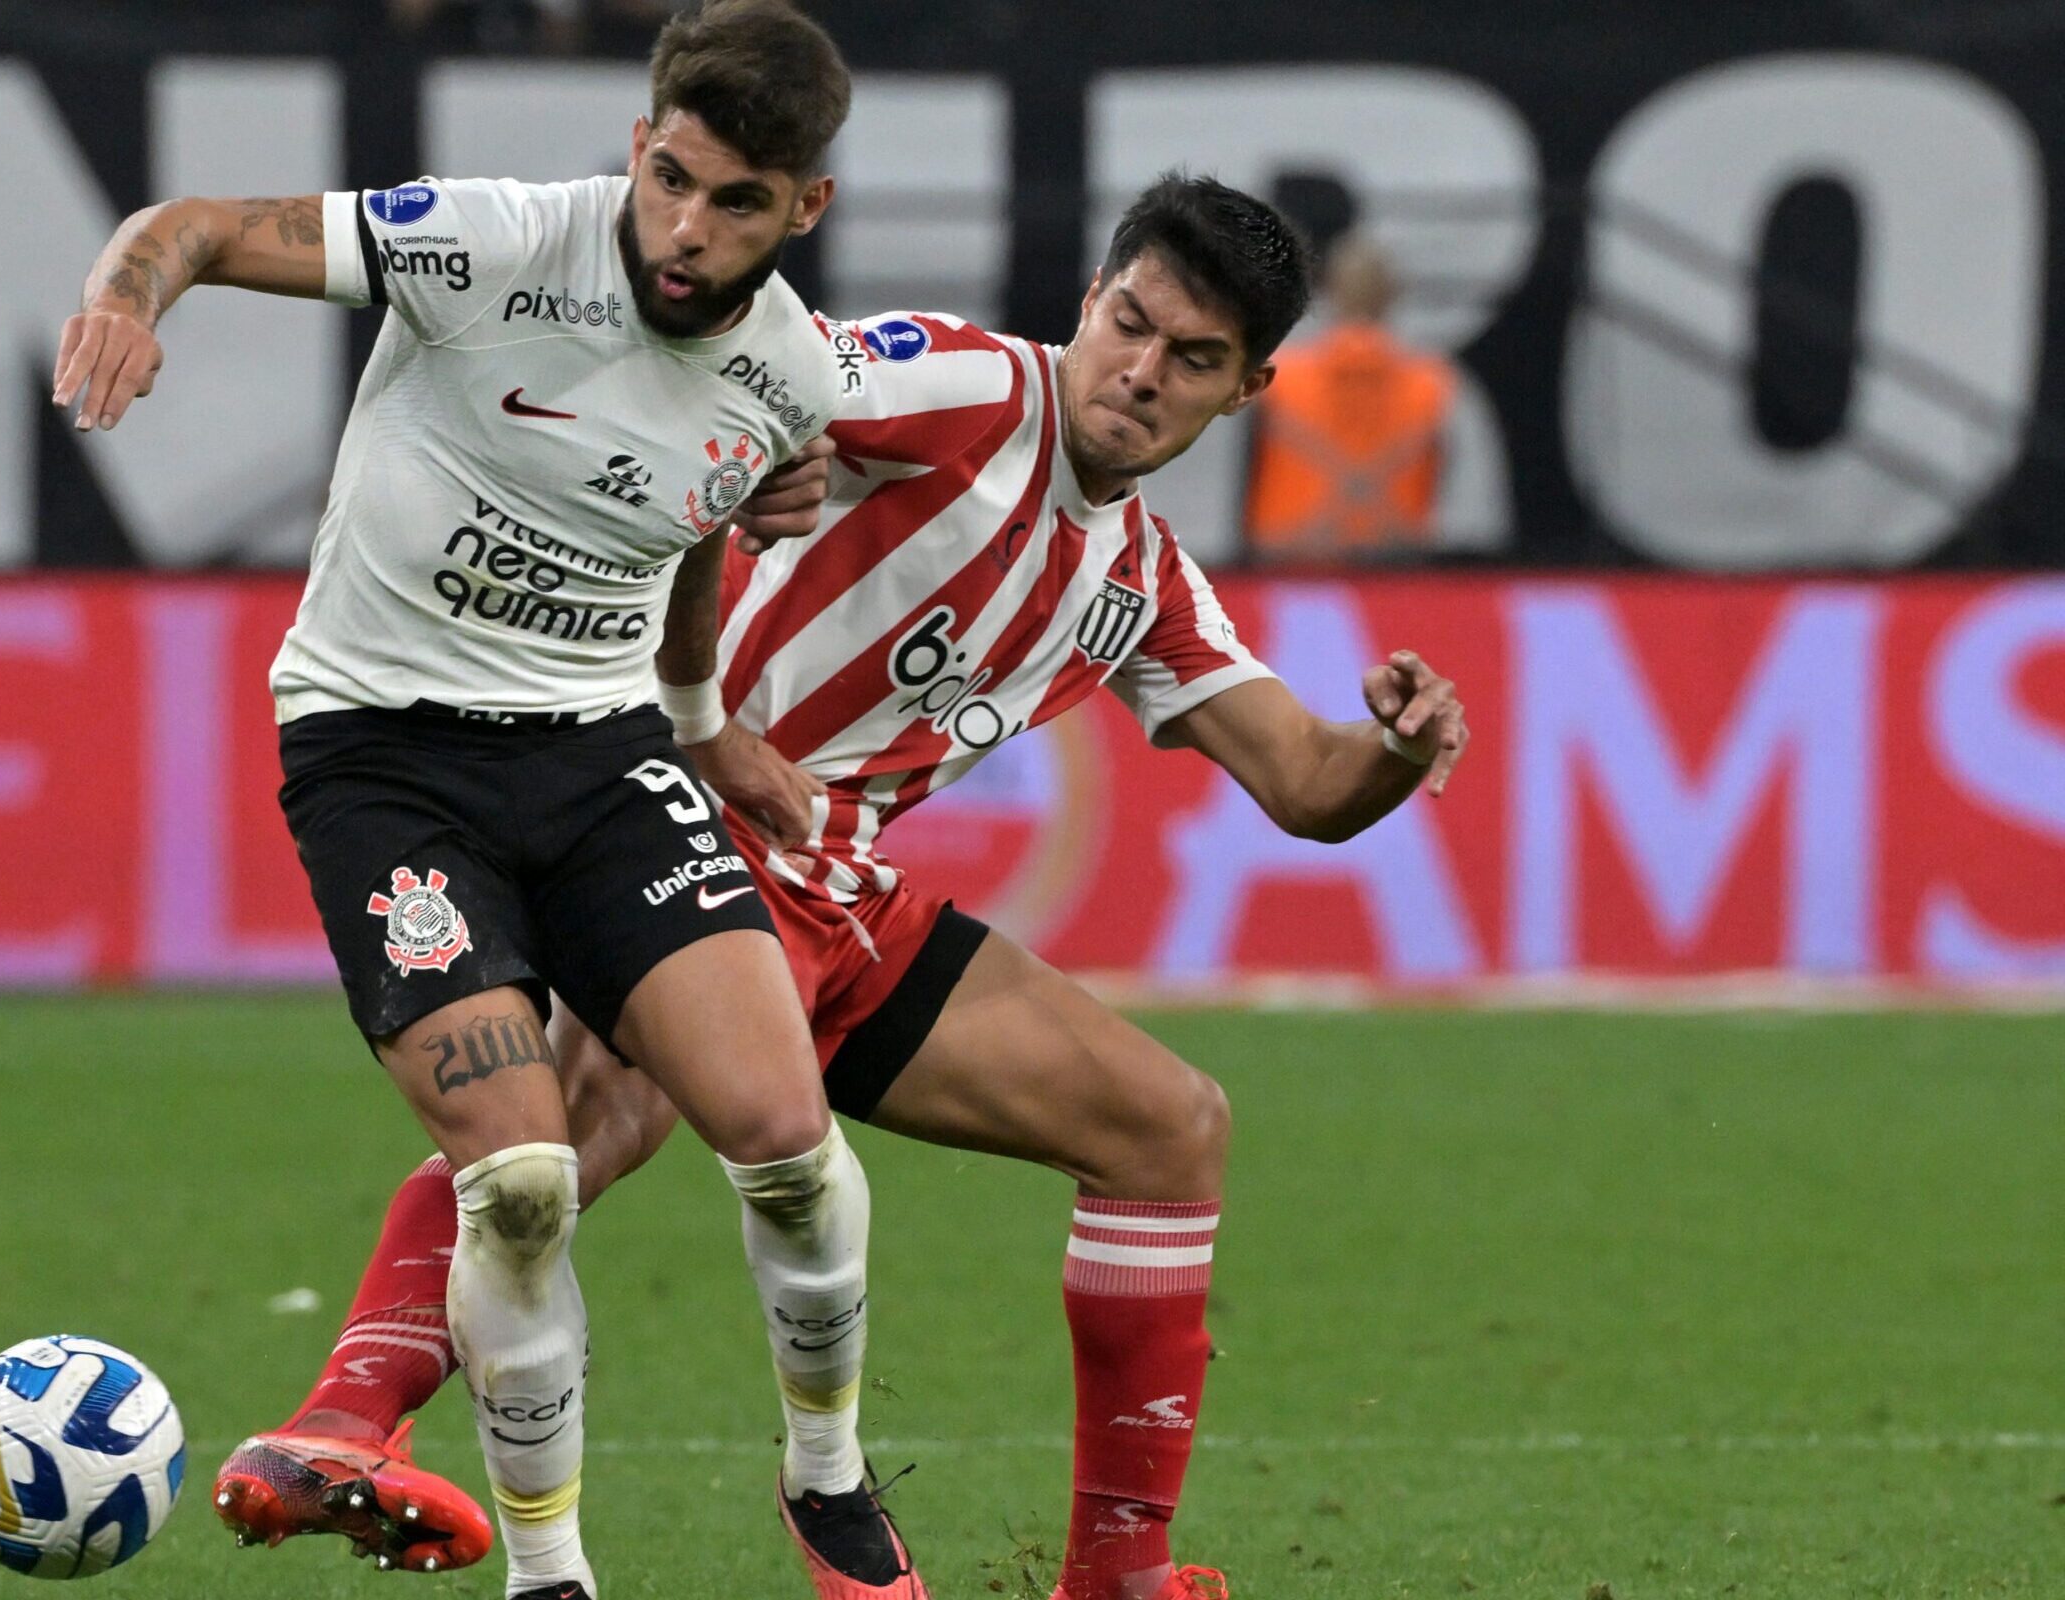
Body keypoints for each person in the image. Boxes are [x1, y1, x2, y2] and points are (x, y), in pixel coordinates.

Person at [243, 175, 1473, 1600]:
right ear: (1089, 300)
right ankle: (337, 1424)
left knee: (1167, 1129)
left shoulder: (1135, 575)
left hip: (843, 896)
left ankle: (1118, 1577)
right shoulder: (957, 382)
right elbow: (742, 382)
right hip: (680, 825)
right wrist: (761, 470)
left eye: (1191, 358)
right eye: (1130, 324)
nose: (1142, 372)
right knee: (582, 1119)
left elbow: (1309, 785)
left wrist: (1392, 748)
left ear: (1249, 387)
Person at [51, 7, 921, 1599]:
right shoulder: (490, 243)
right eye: (669, 177)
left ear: (805, 210)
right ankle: (550, 1576)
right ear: (640, 140)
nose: (684, 227)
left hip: (597, 757)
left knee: (789, 1140)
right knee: (519, 1181)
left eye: (735, 203)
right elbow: (194, 226)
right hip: (383, 756)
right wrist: (127, 292)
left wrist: (703, 718)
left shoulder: (793, 372)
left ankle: (825, 1470)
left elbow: (699, 522)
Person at [1242, 232, 1458, 562]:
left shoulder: (1279, 379)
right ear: (1391, 294)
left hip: (1290, 566)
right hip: (1397, 567)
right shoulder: (1432, 382)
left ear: (1328, 291)